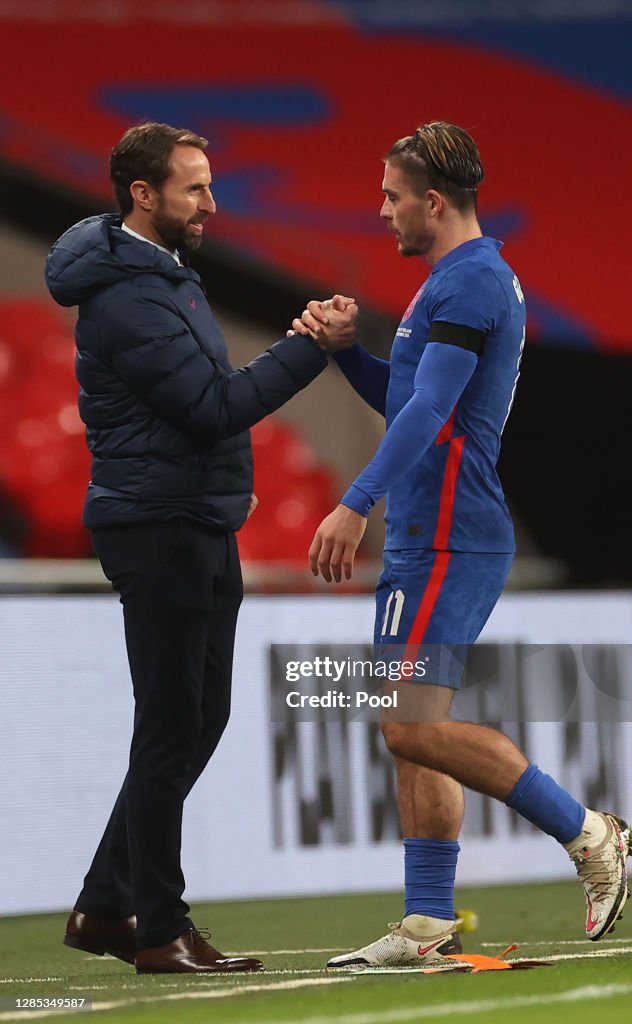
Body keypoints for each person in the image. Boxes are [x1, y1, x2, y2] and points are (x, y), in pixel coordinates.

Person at [290, 121, 632, 969]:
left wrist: (353, 501)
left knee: (409, 728)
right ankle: (425, 922)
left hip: (448, 536)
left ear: (432, 201)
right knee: (409, 727)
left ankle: (587, 832)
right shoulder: (449, 282)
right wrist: (346, 356)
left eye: (391, 195)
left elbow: (431, 414)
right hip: (426, 533)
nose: (381, 211)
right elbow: (407, 393)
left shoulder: (473, 283)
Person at [45, 122, 348, 974]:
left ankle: (106, 905)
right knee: (172, 723)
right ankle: (158, 927)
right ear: (144, 195)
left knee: (193, 718)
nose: (212, 202)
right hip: (159, 524)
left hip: (193, 519)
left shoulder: (160, 275)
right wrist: (306, 349)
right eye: (195, 188)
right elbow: (212, 407)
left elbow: (200, 409)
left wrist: (226, 487)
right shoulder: (133, 296)